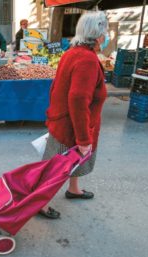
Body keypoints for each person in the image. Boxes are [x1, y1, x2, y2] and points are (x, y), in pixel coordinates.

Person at [38, 11, 109, 219]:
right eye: (104, 32)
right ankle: (42, 204)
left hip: (63, 121)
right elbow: (78, 100)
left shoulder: (72, 52)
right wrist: (83, 139)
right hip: (72, 127)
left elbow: (56, 88)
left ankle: (74, 189)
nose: (106, 37)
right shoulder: (86, 59)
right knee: (57, 168)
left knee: (67, 163)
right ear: (97, 35)